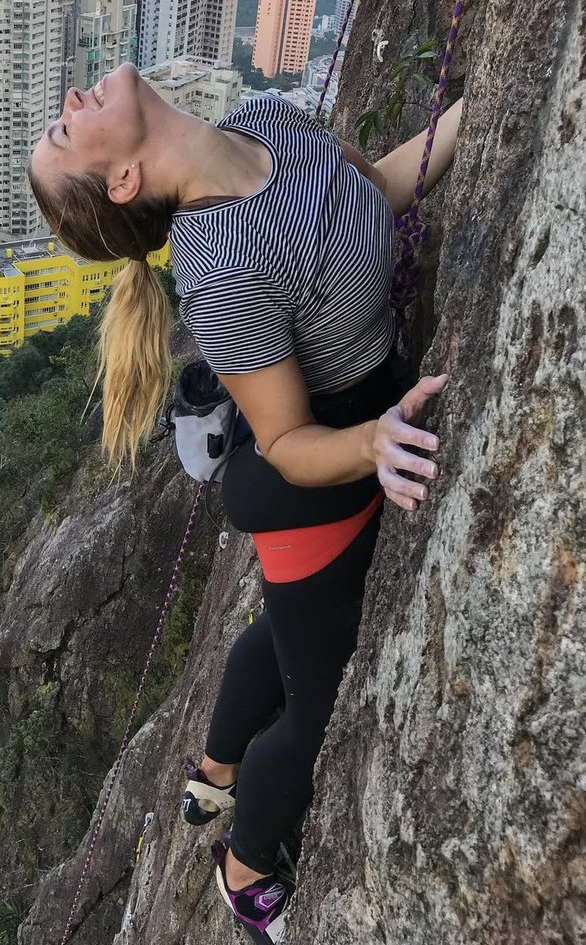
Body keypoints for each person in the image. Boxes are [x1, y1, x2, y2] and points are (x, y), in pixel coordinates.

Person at [28, 62, 461, 941]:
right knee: (319, 699)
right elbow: (291, 443)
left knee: (282, 632)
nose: (71, 102)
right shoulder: (220, 269)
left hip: (351, 429)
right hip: (318, 480)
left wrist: (487, 99)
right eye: (66, 130)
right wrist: (376, 443)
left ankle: (215, 767)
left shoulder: (266, 116)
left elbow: (373, 187)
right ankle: (247, 866)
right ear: (121, 179)